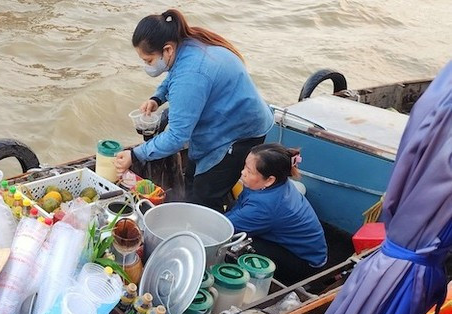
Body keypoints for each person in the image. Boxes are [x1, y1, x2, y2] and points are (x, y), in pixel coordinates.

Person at [114, 8, 274, 212]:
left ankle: (211, 233)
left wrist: (135, 155)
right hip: (230, 116)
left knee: (204, 198)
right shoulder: (188, 45)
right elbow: (174, 74)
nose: (148, 66)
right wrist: (157, 97)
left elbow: (177, 136)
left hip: (240, 134)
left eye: (149, 61)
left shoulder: (191, 73)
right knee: (192, 179)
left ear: (168, 50)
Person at [225, 143, 327, 284]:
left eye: (249, 171)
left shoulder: (265, 207)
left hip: (304, 263)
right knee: (232, 208)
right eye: (245, 167)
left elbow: (224, 228)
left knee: (239, 248)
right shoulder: (275, 183)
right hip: (297, 245)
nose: (243, 172)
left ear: (269, 180)